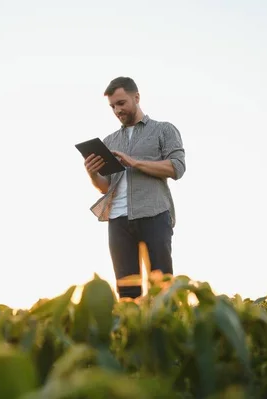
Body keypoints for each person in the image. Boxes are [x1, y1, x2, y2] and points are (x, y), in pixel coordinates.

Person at [83, 76, 186, 300]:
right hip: (118, 221)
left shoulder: (163, 130)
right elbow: (105, 188)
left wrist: (135, 162)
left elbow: (177, 168)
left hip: (155, 215)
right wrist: (92, 173)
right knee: (127, 293)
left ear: (136, 97)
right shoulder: (108, 142)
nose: (117, 110)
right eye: (112, 106)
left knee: (163, 289)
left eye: (121, 103)